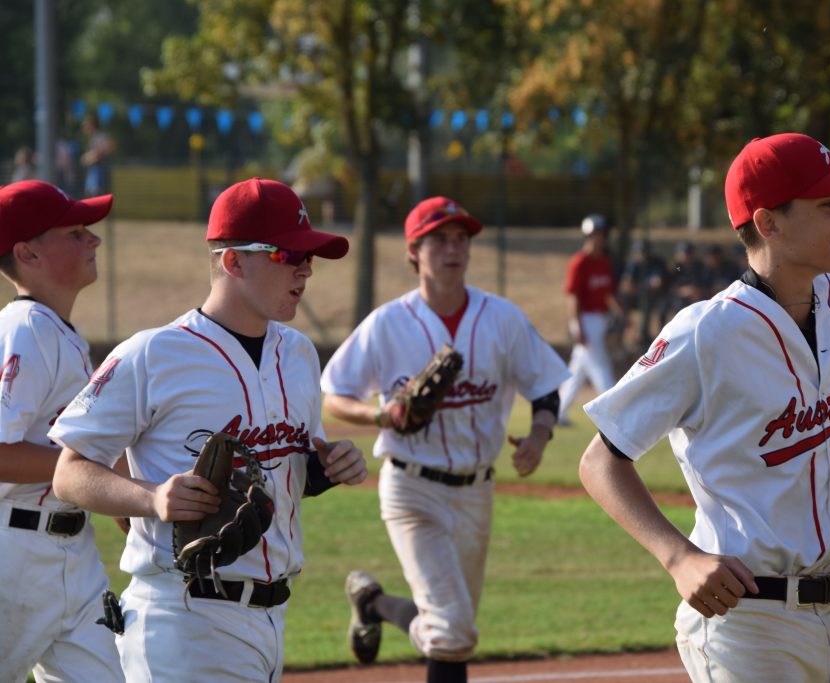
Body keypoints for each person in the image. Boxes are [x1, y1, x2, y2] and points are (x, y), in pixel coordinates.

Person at [578, 133, 830, 683]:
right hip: (739, 620)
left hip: (823, 618)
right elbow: (600, 462)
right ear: (769, 223)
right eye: (829, 205)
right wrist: (678, 557)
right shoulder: (707, 333)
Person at [48, 177, 368, 682]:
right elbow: (68, 474)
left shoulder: (301, 354)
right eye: (288, 254)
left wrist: (324, 470)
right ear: (234, 261)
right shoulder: (153, 353)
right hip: (183, 618)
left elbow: (277, 481)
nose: (306, 268)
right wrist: (152, 497)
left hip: (272, 616)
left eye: (310, 256)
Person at [321, 196, 568, 683]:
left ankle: (373, 604)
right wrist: (382, 415)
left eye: (461, 238)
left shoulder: (502, 318)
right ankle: (378, 606)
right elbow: (335, 393)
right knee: (453, 630)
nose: (453, 249)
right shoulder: (388, 323)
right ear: (414, 251)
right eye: (438, 239)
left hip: (478, 492)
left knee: (451, 630)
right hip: (411, 489)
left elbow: (544, 386)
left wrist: (540, 434)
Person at [0, 180, 123, 683]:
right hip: (15, 555)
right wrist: (88, 472)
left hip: (72, 551)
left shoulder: (57, 331)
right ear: (28, 253)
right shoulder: (25, 328)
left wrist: (119, 497)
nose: (93, 240)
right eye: (75, 232)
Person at [556, 213, 623, 425]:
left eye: (601, 233)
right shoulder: (580, 262)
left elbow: (608, 294)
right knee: (600, 366)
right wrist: (576, 325)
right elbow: (572, 296)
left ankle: (557, 412)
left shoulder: (604, 262)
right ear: (587, 235)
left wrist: (621, 312)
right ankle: (615, 411)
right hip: (585, 319)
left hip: (600, 319)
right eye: (594, 234)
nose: (599, 237)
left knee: (577, 370)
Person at [618, 237, 668, 347]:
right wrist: (643, 286)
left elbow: (657, 283)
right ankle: (622, 337)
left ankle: (651, 337)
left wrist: (640, 287)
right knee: (621, 300)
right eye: (639, 252)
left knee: (653, 302)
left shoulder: (656, 262)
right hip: (636, 297)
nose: (642, 255)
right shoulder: (633, 264)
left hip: (653, 297)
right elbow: (626, 285)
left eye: (644, 251)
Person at [664, 240, 706, 324]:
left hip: (697, 298)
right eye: (683, 253)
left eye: (688, 253)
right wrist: (686, 291)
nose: (686, 256)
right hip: (678, 299)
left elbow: (704, 284)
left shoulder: (699, 267)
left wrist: (695, 290)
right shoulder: (676, 268)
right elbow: (671, 288)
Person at [81, 114, 116, 197]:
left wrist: (91, 156)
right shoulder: (93, 137)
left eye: (86, 125)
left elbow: (110, 146)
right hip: (94, 171)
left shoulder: (100, 136)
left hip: (99, 171)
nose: (84, 127)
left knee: (97, 194)